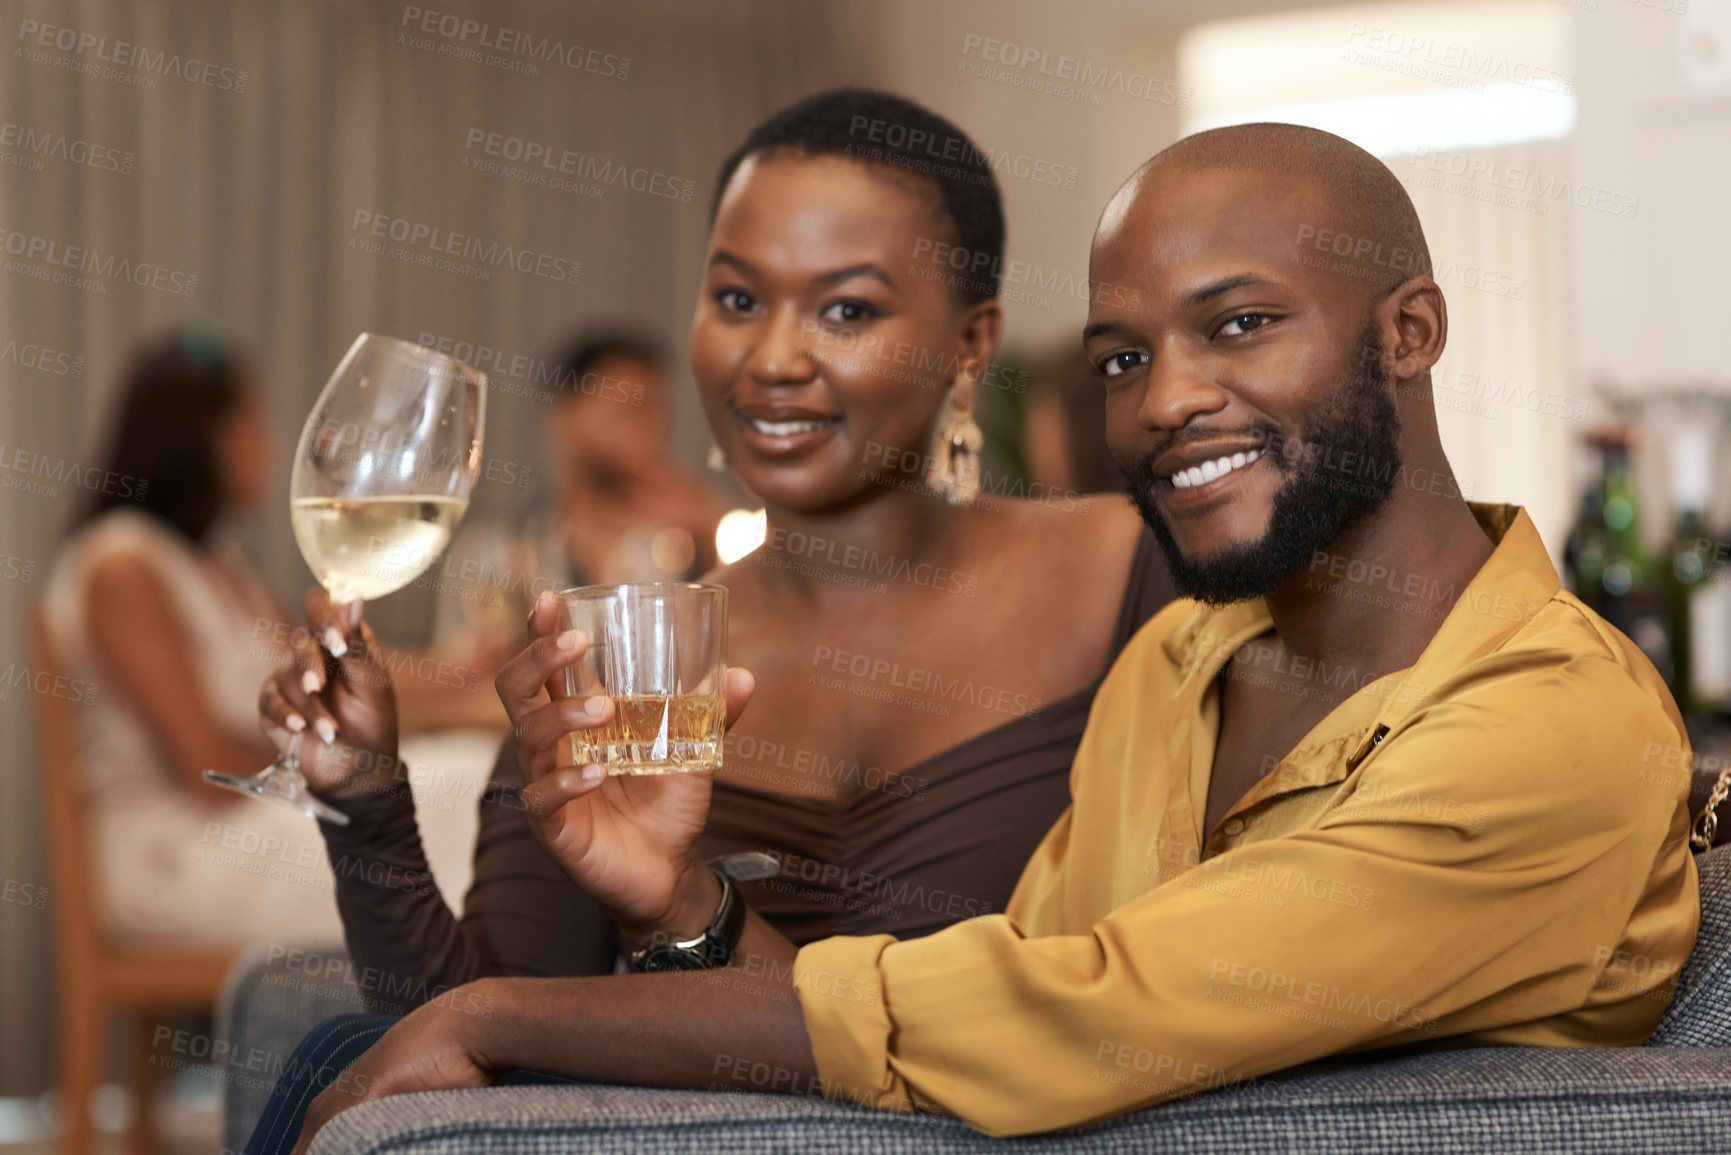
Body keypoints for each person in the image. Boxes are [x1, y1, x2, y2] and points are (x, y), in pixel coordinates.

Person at [263, 120, 1707, 1147]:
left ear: (1407, 333)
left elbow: (1068, 1012)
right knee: (331, 1049)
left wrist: (511, 1016)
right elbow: (963, 1037)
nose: (1164, 401)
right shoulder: (1183, 662)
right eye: (1125, 358)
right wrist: (679, 900)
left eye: (1241, 324)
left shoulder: (1545, 725)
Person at [239, 86, 1174, 1148]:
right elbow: (456, 1075)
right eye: (737, 300)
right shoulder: (621, 645)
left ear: (970, 343)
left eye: (847, 310)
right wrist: (367, 802)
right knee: (336, 1053)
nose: (770, 357)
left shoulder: (1132, 573)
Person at [42, 324, 344, 944]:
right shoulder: (121, 566)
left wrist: (464, 673)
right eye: (255, 423)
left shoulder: (219, 563)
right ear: (205, 435)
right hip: (172, 852)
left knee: (455, 781)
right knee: (415, 838)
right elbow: (206, 768)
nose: (271, 445)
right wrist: (336, 770)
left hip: (246, 817)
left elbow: (331, 674)